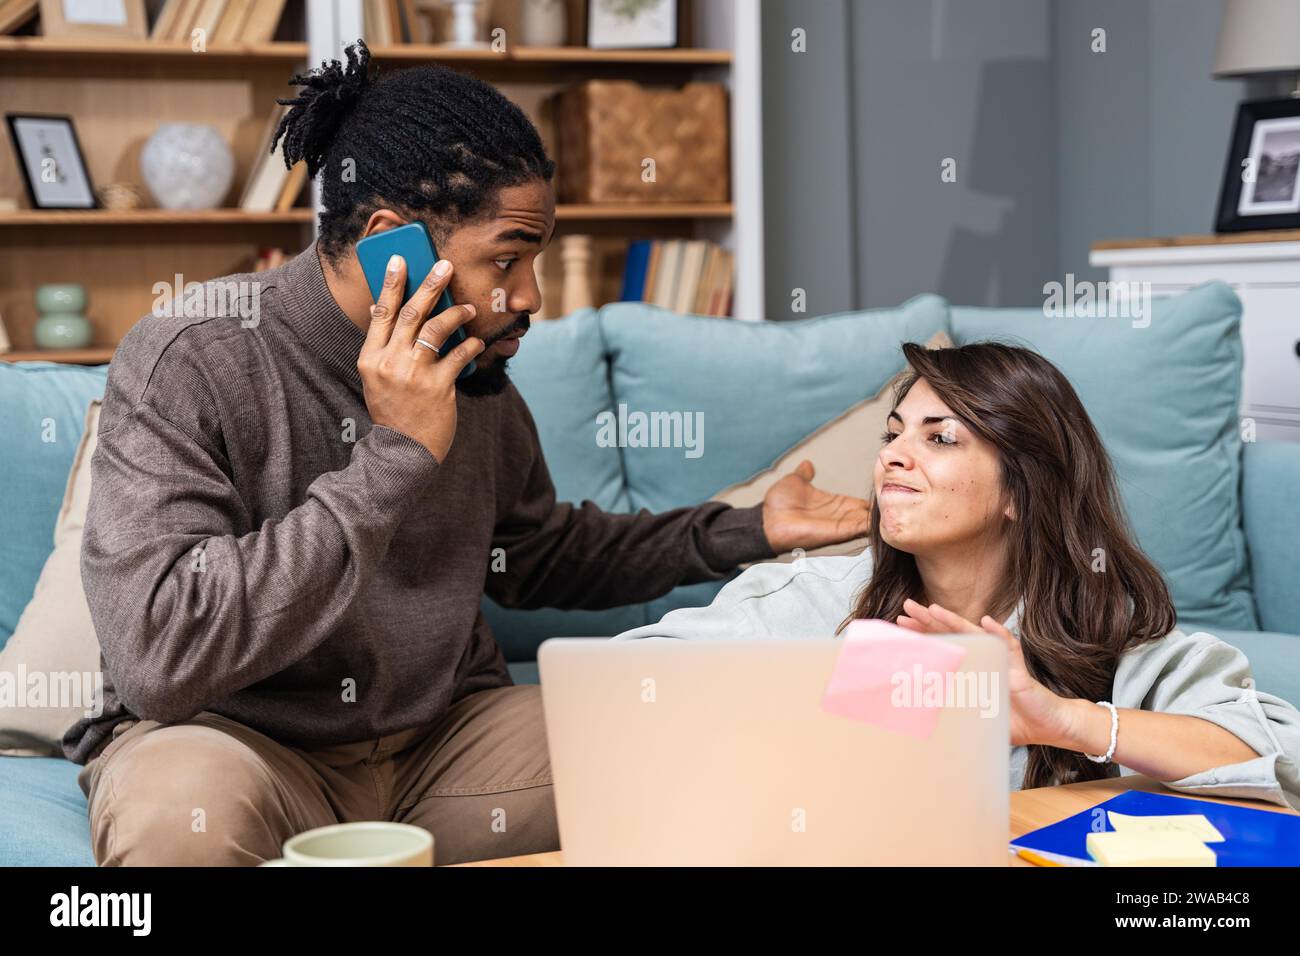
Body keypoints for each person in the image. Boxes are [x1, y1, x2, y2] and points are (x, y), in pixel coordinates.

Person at [66, 40, 871, 866]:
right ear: (391, 244)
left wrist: (745, 531)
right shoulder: (192, 359)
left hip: (446, 749)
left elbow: (533, 555)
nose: (531, 298)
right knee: (176, 820)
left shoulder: (474, 365)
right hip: (240, 748)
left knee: (702, 738)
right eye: (509, 258)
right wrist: (396, 453)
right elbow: (160, 657)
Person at [615, 341, 1300, 809]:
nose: (892, 457)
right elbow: (626, 696)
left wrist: (1067, 721)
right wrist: (821, 702)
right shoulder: (808, 600)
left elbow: (1277, 755)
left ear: (1019, 492)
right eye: (893, 434)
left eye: (938, 438)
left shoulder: (1109, 636)